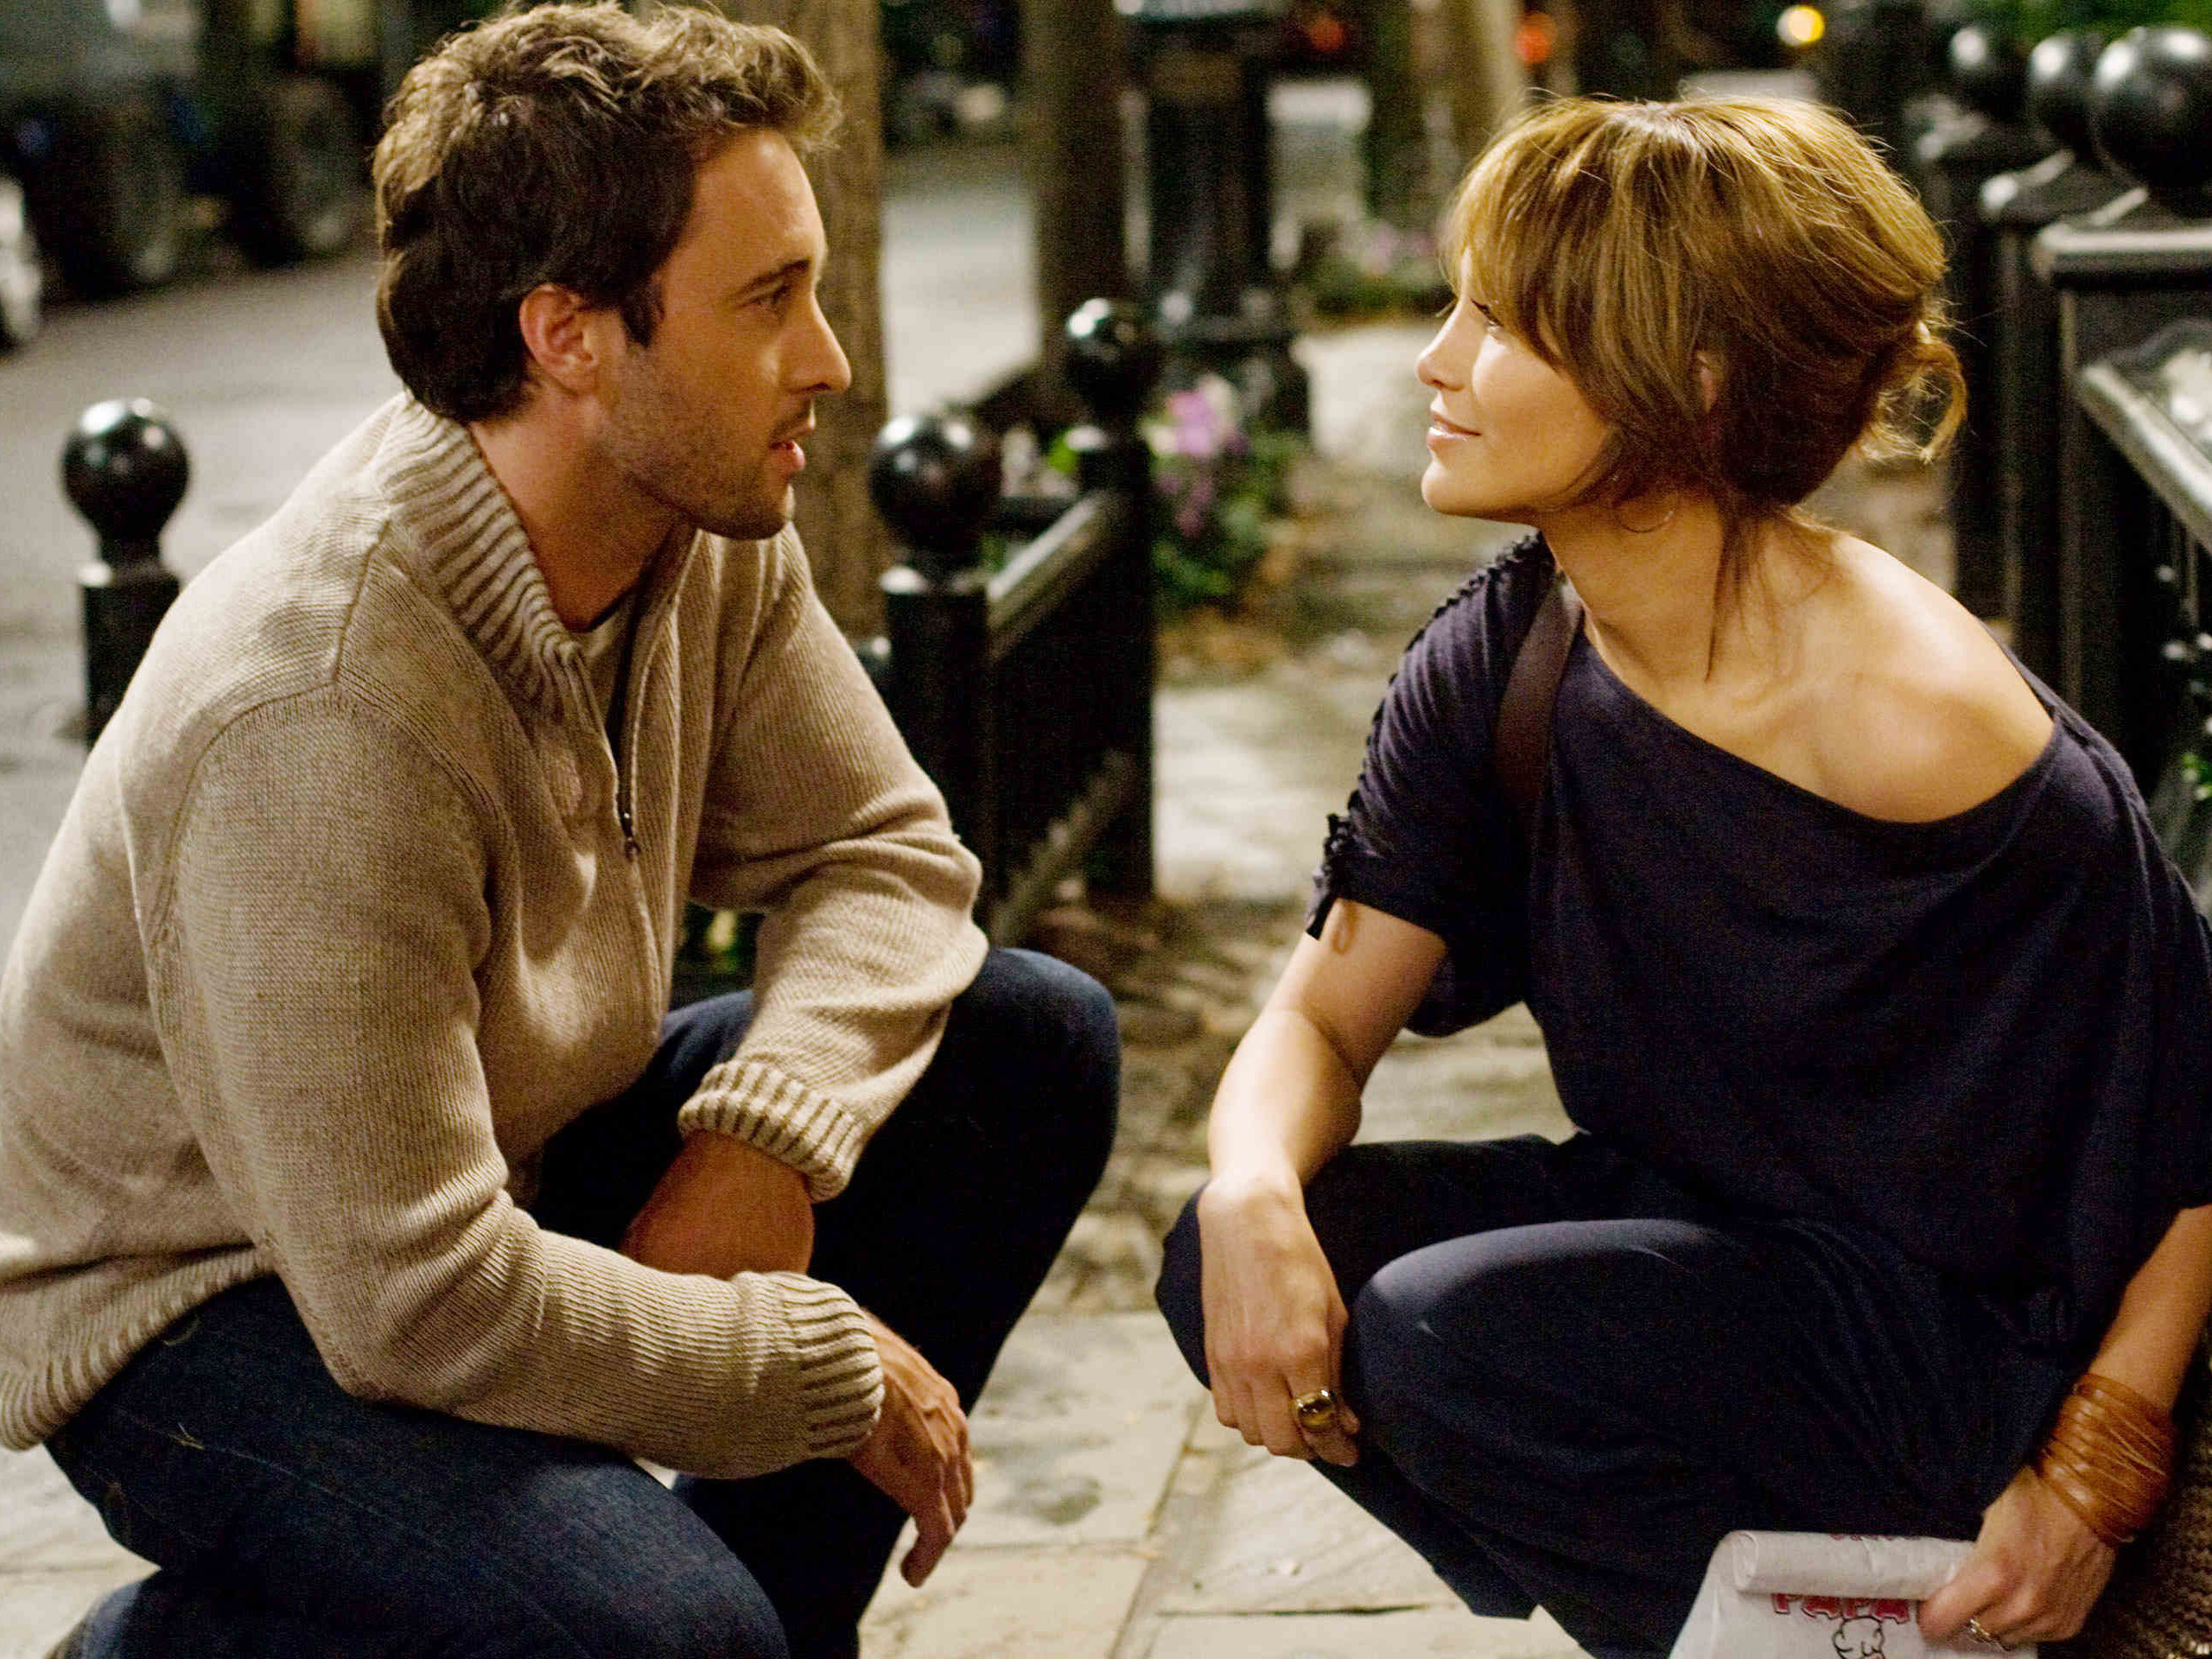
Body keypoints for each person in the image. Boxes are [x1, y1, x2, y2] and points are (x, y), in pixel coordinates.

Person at [0, 6, 1119, 1656]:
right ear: (569, 336)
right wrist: (811, 1368)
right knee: (665, 1637)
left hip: (480, 1171)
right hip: (214, 1302)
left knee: (1026, 1045)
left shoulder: (696, 522)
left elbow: (884, 854)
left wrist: (766, 1135)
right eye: (770, 300)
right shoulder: (318, 706)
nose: (829, 359)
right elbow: (414, 1301)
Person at [1156, 94, 2212, 1658]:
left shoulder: (1922, 716)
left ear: (1693, 377)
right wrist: (1250, 1188)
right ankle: (1786, 1626)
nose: (1437, 362)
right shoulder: (1511, 657)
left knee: (1449, 1341)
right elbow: (1317, 1021)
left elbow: (2194, 1122)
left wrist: (2097, 1472)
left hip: (1956, 1341)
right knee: (1234, 1252)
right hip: (1704, 1242)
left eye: (1500, 324)